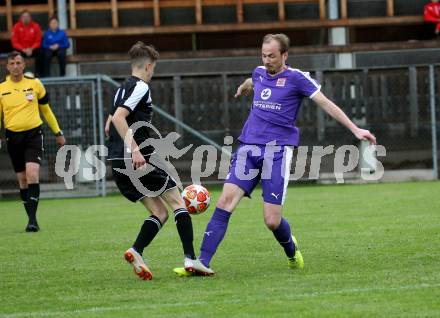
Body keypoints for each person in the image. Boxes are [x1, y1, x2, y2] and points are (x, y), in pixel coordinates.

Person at [174, 33, 377, 277]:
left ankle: (291, 250)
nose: (267, 60)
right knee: (225, 202)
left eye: (272, 56)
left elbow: (326, 103)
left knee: (271, 220)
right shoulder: (259, 72)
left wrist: (355, 128)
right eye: (264, 55)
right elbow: (254, 80)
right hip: (248, 147)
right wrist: (244, 86)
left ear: (284, 55)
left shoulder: (297, 79)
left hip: (277, 152)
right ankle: (202, 262)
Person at [107, 41, 212, 280]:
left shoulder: (120, 88)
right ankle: (191, 259)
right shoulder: (141, 87)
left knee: (159, 212)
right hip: (135, 157)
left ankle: (136, 251)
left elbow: (111, 120)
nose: (153, 72)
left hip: (117, 160)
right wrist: (135, 150)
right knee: (178, 202)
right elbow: (119, 118)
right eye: (153, 68)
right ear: (148, 66)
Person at [0, 51, 66, 232]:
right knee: (22, 179)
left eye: (18, 63)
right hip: (13, 137)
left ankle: (32, 220)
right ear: (7, 66)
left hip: (33, 135)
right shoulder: (1, 89)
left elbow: (46, 110)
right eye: (12, 63)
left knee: (32, 174)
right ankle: (30, 217)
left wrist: (58, 132)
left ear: (24, 65)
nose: (15, 66)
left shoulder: (35, 84)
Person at [11, 10, 43, 76]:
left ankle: (39, 74)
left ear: (30, 18)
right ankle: (19, 74)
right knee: (14, 55)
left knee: (42, 53)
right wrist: (23, 49)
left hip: (33, 49)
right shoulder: (16, 27)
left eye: (27, 16)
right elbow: (15, 42)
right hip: (22, 49)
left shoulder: (36, 26)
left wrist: (31, 49)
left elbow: (38, 41)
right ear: (20, 18)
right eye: (23, 16)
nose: (25, 18)